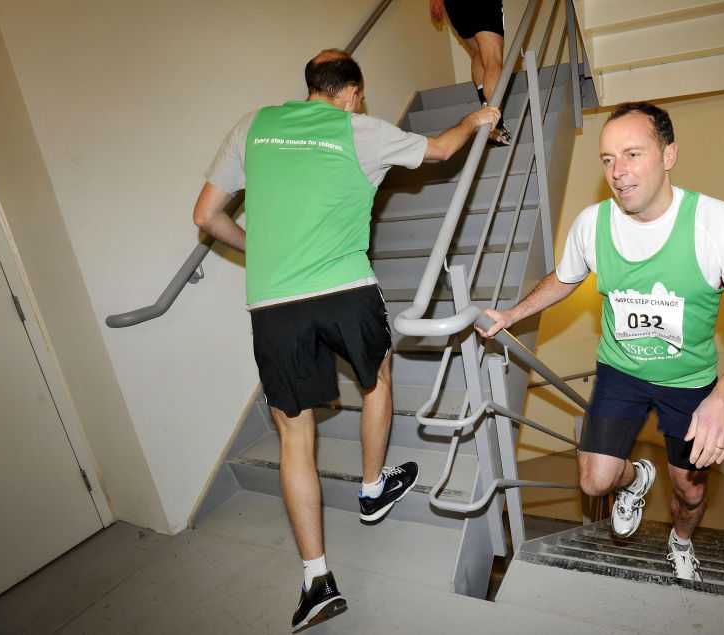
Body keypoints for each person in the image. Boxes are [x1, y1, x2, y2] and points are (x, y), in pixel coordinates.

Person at [193, 49, 500, 631]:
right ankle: (372, 487)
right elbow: (439, 150)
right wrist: (476, 119)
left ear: (310, 87)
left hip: (275, 304)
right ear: (354, 92)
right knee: (376, 377)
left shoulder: (252, 125)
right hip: (345, 288)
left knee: (292, 433)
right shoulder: (360, 130)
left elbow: (207, 216)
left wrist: (260, 250)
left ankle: (316, 578)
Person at [478, 102, 724, 582]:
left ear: (668, 155)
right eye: (607, 160)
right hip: (620, 370)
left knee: (689, 491)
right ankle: (637, 478)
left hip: (689, 381)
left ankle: (681, 542)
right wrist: (512, 314)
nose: (618, 172)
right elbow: (564, 277)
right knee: (595, 479)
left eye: (632, 154)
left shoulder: (714, 223)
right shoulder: (592, 224)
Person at [430, 0, 513, 146]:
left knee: (477, 51)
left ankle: (486, 110)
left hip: (454, 6)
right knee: (492, 58)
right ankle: (497, 126)